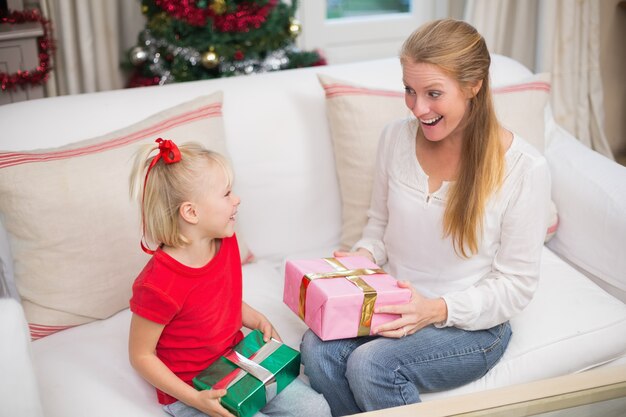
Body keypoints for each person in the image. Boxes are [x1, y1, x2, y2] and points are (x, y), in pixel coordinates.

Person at [300, 18, 551, 416]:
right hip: (397, 302)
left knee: (372, 365)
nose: (418, 108)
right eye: (409, 91)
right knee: (316, 349)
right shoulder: (394, 138)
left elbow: (516, 286)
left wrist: (435, 309)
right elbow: (378, 226)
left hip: (471, 325)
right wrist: (360, 260)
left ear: (474, 86)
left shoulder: (524, 168)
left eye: (434, 93)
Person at [128, 138, 331, 417]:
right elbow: (141, 356)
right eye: (226, 194)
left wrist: (255, 318)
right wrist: (196, 399)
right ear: (191, 212)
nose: (237, 199)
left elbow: (218, 301)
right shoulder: (156, 285)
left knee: (316, 409)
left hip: (237, 363)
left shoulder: (225, 240)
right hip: (193, 390)